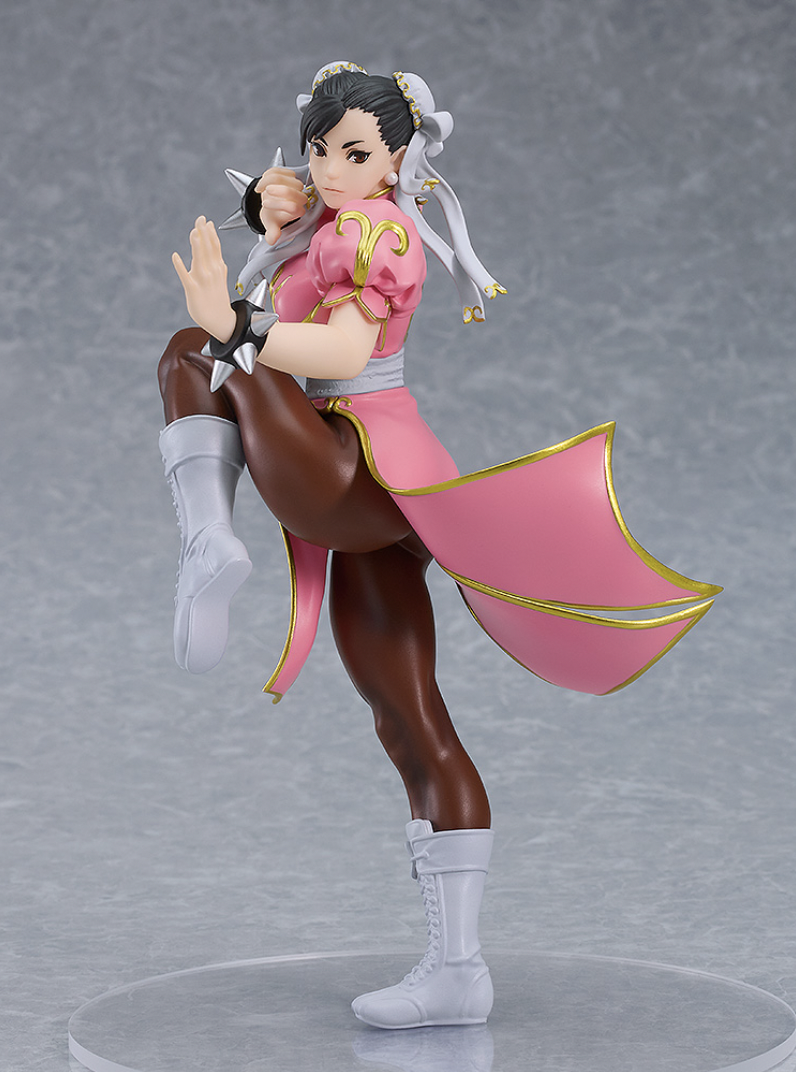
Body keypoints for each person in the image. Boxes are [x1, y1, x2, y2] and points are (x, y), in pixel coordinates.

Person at [158, 62, 720, 1029]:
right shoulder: (334, 219)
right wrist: (272, 209)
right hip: (374, 499)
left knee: (195, 354)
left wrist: (238, 323)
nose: (330, 169)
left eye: (354, 154)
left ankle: (208, 537)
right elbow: (300, 228)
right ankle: (459, 970)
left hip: (352, 458)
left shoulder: (380, 233)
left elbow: (341, 353)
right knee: (408, 717)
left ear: (398, 160)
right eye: (320, 149)